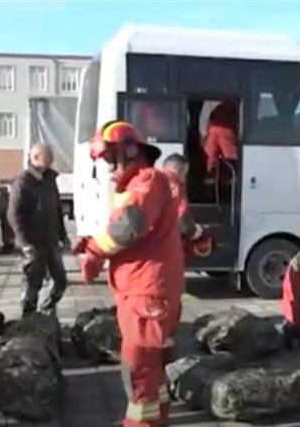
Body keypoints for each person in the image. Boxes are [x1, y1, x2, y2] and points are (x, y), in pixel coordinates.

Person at [73, 120, 184, 427]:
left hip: (145, 294)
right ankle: (156, 420)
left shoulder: (147, 181)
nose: (108, 170)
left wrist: (95, 251)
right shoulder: (147, 184)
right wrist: (94, 244)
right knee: (151, 367)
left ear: (131, 152)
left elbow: (129, 226)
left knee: (139, 367)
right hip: (145, 292)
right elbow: (131, 231)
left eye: (110, 160)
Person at [8, 143, 70, 316]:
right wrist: (23, 242)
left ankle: (46, 309)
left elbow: (56, 210)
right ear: (35, 158)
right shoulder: (23, 182)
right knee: (32, 282)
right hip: (32, 243)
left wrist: (63, 236)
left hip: (50, 241)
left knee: (60, 281)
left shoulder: (50, 180)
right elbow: (14, 214)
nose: (52, 159)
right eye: (48, 156)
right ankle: (29, 317)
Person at [160, 153, 213, 258]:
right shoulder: (175, 186)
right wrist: (197, 232)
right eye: (185, 173)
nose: (184, 178)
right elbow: (182, 218)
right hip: (166, 245)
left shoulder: (153, 181)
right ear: (178, 170)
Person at [203, 100, 239, 174]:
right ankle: (230, 176)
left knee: (210, 158)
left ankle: (209, 175)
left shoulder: (218, 107)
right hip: (227, 132)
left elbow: (209, 118)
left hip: (212, 131)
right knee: (230, 159)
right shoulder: (234, 107)